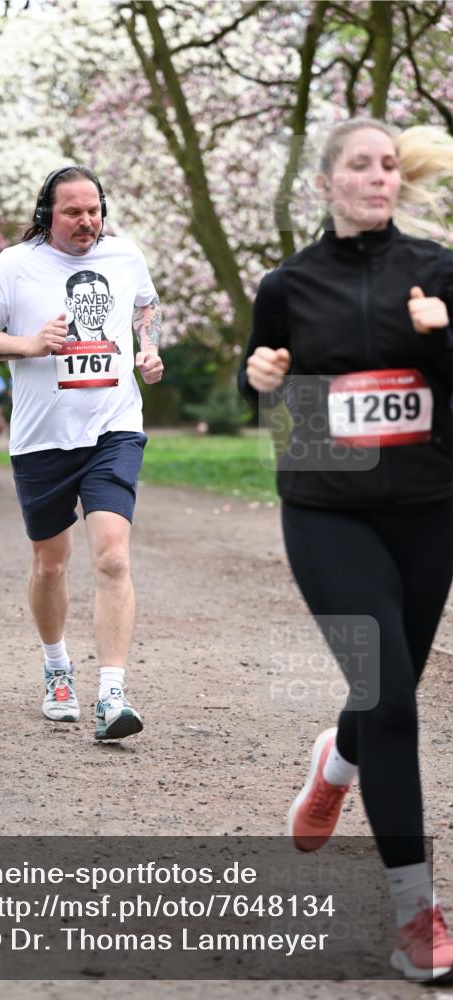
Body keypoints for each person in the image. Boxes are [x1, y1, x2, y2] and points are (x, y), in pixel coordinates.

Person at [239, 119, 453, 982]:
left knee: (390, 684)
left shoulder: (437, 270)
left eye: (387, 166)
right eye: (359, 165)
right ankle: (416, 916)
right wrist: (255, 381)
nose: (377, 177)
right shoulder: (286, 284)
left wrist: (440, 337)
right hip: (327, 510)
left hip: (430, 507)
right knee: (389, 699)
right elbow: (265, 400)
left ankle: (335, 760)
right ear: (327, 181)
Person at [0, 165, 163, 741]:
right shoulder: (14, 264)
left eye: (94, 209)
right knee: (51, 563)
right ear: (47, 213)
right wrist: (28, 344)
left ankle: (112, 694)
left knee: (113, 557)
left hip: (113, 428)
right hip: (41, 439)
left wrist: (147, 349)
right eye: (73, 211)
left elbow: (145, 308)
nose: (86, 221)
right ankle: (57, 669)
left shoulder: (125, 257)